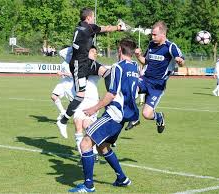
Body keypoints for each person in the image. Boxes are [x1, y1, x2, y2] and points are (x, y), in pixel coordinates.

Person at [68, 38, 139, 193]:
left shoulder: (117, 67)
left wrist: (94, 108)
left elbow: (111, 93)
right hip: (123, 116)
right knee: (103, 146)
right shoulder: (135, 66)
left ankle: (88, 186)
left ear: (120, 50)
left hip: (113, 115)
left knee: (85, 144)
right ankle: (122, 178)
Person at [57, 7, 127, 135]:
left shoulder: (79, 26)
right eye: (93, 17)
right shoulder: (89, 27)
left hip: (86, 62)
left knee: (107, 73)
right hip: (79, 65)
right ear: (88, 18)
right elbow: (106, 28)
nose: (94, 19)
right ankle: (63, 120)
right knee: (80, 96)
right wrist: (119, 27)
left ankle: (111, 98)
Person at [126, 21, 185, 133]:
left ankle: (158, 117)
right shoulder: (151, 44)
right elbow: (145, 62)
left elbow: (182, 62)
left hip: (157, 86)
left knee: (147, 114)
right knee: (130, 89)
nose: (152, 36)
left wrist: (180, 61)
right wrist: (138, 55)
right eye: (152, 34)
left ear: (163, 34)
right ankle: (134, 118)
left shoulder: (171, 47)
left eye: (154, 35)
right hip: (145, 79)